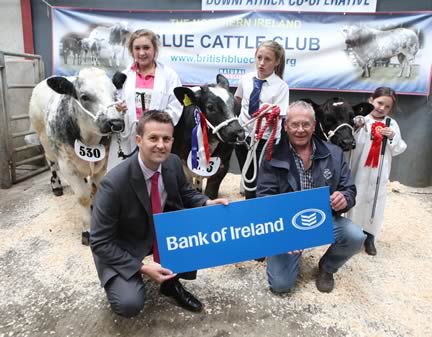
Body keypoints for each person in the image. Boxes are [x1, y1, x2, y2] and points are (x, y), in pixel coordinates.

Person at [90, 110, 228, 318]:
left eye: (166, 139)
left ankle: (171, 284)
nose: (161, 145)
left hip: (158, 232)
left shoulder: (172, 163)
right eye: (153, 138)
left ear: (172, 140)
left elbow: (186, 192)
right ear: (138, 140)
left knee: (194, 228)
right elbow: (100, 241)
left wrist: (207, 202)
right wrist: (142, 267)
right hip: (126, 243)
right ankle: (129, 277)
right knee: (129, 304)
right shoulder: (113, 183)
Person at [256, 101, 365, 293]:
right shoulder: (271, 155)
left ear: (314, 126)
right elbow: (265, 199)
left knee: (356, 236)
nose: (300, 130)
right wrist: (284, 234)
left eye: (306, 124)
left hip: (321, 220)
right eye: (294, 124)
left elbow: (349, 189)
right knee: (281, 286)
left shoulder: (335, 153)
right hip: (285, 225)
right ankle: (279, 253)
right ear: (285, 126)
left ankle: (327, 268)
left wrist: (344, 198)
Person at [107, 29, 183, 171]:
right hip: (128, 137)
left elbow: (175, 106)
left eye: (146, 47)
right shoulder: (123, 77)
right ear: (131, 51)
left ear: (155, 49)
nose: (142, 53)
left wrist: (155, 126)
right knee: (125, 176)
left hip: (156, 137)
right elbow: (113, 103)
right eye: (137, 48)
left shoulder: (169, 76)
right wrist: (118, 109)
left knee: (154, 174)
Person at [347, 87, 407, 256]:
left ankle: (370, 235)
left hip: (379, 172)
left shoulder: (391, 124)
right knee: (357, 197)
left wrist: (392, 136)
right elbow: (351, 143)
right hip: (360, 170)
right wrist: (357, 127)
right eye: (379, 103)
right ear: (371, 100)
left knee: (376, 201)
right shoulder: (361, 120)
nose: (382, 108)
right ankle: (352, 234)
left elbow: (399, 148)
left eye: (387, 106)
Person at [235, 40, 289, 199]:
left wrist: (268, 110)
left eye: (268, 59)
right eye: (259, 57)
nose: (261, 63)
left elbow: (280, 114)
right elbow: (238, 99)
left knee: (262, 181)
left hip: (265, 142)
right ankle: (249, 209)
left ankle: (259, 213)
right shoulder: (245, 79)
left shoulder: (281, 87)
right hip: (243, 137)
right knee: (247, 177)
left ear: (277, 62)